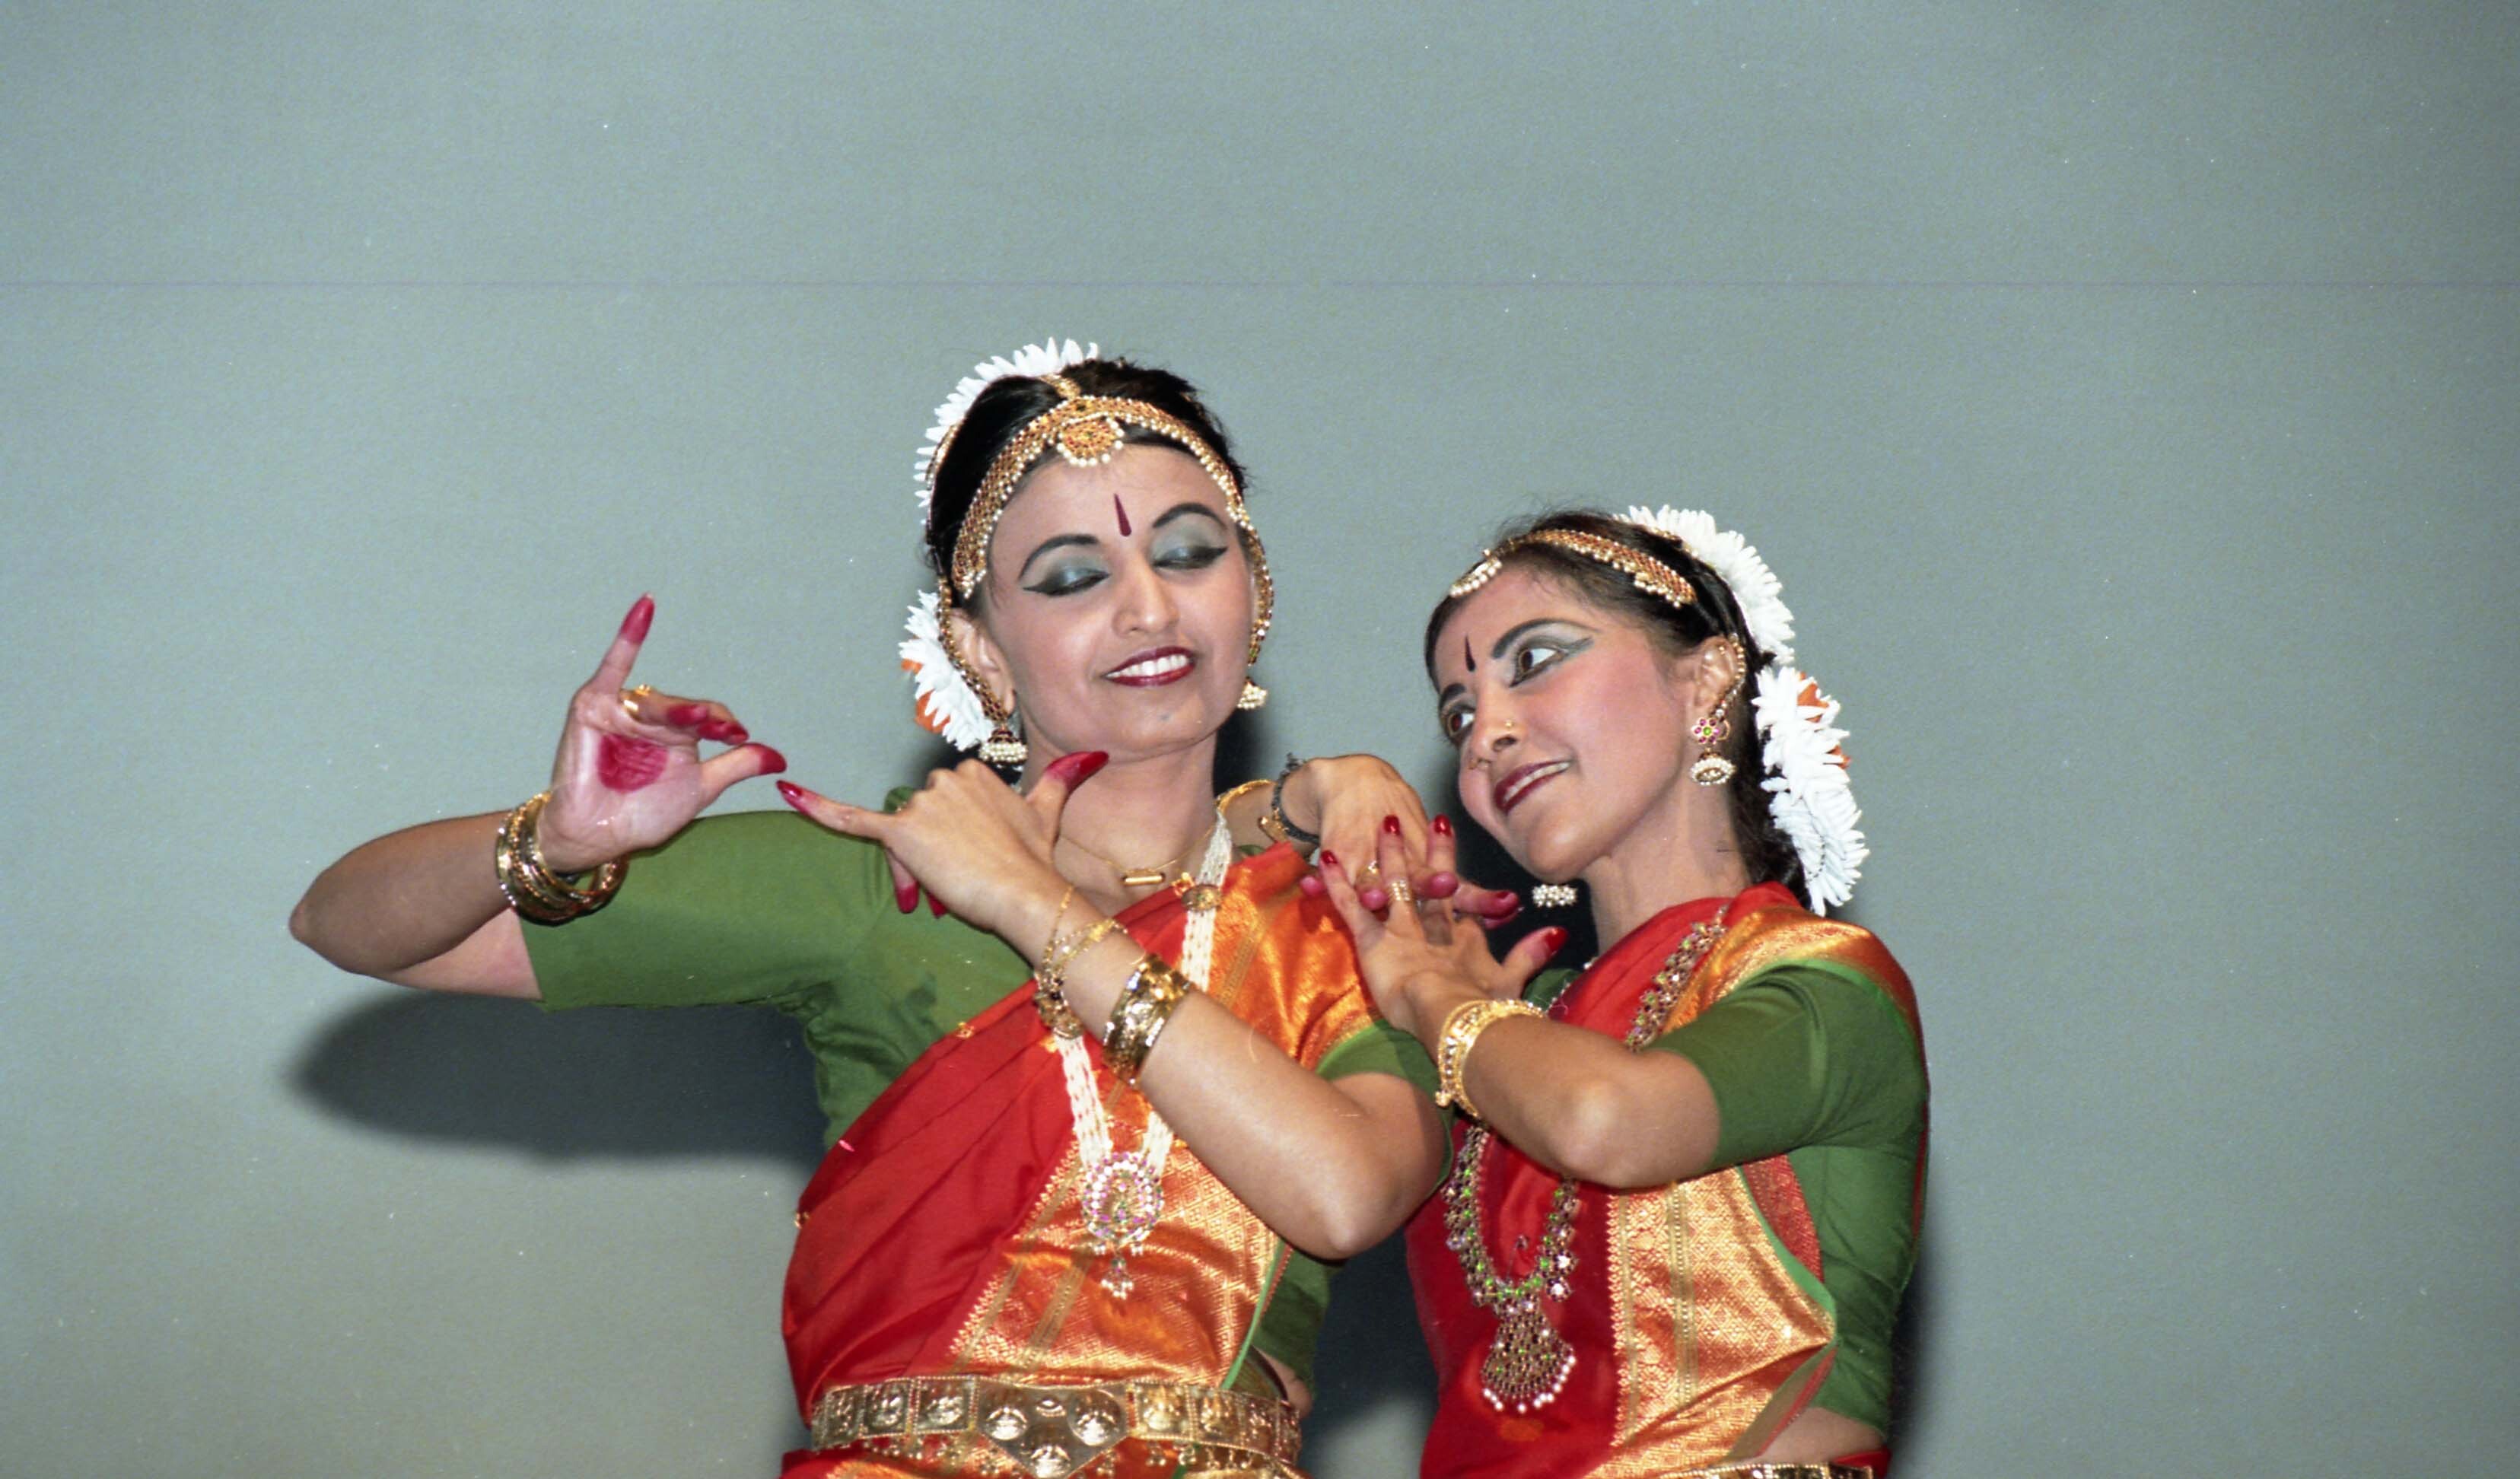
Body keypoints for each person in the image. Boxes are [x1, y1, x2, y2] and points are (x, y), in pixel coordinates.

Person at [291, 340, 1482, 1478]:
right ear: (979, 646)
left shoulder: (1343, 910)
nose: (1148, 609)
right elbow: (347, 923)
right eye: (1073, 576)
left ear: (1254, 588)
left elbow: (1347, 1195)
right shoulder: (882, 881)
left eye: (1187, 554)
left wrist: (1035, 906)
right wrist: (550, 840)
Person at [1312, 508, 1926, 1478]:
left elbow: (1605, 1121)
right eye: (1459, 715)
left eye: (1535, 660)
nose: (1486, 736)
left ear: (1706, 679)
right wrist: (1329, 787)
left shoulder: (1820, 982)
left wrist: (1432, 996)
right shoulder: (1512, 1023)